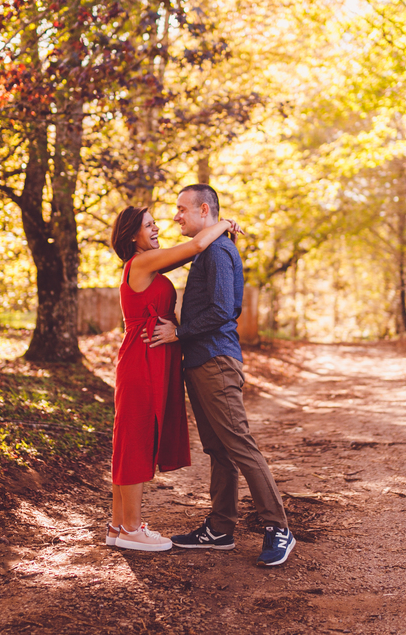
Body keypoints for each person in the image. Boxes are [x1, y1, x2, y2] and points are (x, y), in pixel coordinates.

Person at [150, 184, 296, 567]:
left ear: (203, 209)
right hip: (201, 362)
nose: (176, 216)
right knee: (218, 448)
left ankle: (278, 527)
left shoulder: (215, 250)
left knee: (238, 444)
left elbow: (221, 312)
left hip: (215, 361)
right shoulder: (208, 248)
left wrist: (177, 332)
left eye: (181, 209)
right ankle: (220, 528)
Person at [106, 205, 240, 552]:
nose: (157, 229)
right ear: (132, 233)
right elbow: (195, 247)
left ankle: (119, 525)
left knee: (132, 439)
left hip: (151, 357)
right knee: (134, 441)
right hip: (143, 359)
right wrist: (225, 223)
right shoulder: (140, 263)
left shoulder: (149, 263)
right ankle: (133, 530)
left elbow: (191, 252)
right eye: (149, 226)